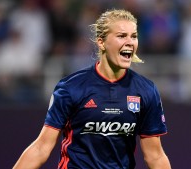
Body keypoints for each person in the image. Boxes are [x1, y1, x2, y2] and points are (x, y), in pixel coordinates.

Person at [13, 9, 171, 169]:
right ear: (101, 42)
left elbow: (155, 156)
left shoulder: (146, 90)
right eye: (122, 36)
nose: (130, 42)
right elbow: (41, 148)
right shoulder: (71, 87)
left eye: (134, 36)